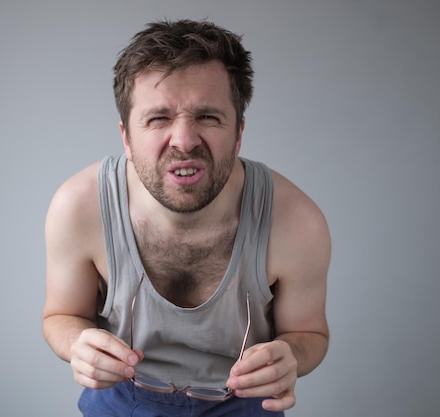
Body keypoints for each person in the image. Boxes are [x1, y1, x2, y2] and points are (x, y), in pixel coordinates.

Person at [42, 19, 330, 416]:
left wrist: (291, 355)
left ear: (239, 132)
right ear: (126, 136)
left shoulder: (297, 222)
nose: (184, 140)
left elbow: (310, 333)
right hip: (122, 399)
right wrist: (78, 343)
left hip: (244, 404)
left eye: (208, 117)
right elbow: (60, 316)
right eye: (159, 118)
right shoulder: (78, 206)